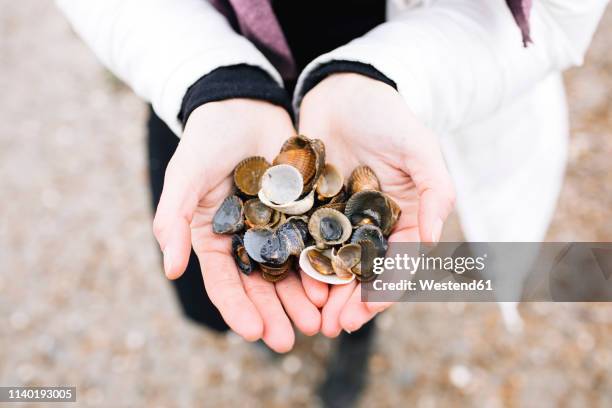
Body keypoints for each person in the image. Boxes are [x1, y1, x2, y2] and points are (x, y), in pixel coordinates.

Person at [57, 0, 608, 405]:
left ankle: (352, 346)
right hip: (214, 101)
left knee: (363, 283)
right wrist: (210, 79)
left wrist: (386, 75)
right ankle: (273, 339)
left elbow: (559, 16)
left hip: (392, 86)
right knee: (210, 285)